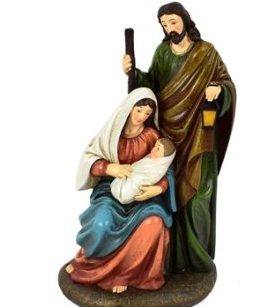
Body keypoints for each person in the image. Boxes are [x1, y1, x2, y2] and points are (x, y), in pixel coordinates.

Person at [122, 2, 236, 273]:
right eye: (164, 25)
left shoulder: (206, 52)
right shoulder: (163, 52)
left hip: (200, 135)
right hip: (168, 139)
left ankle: (198, 261)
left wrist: (218, 88)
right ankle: (170, 261)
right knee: (168, 194)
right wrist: (133, 73)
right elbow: (151, 86)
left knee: (200, 195)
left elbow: (227, 84)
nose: (169, 28)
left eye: (173, 21)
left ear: (185, 20)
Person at [66, 88, 176, 293]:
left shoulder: (152, 136)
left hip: (142, 196)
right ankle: (86, 263)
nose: (141, 117)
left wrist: (157, 188)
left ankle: (127, 274)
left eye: (147, 113)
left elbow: (165, 167)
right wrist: (109, 168)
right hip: (111, 192)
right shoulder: (112, 134)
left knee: (154, 224)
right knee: (101, 223)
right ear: (129, 107)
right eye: (138, 110)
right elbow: (89, 158)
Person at [111, 137, 175, 205]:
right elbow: (136, 166)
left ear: (165, 158)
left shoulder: (158, 168)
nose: (153, 149)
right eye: (154, 146)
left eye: (158, 148)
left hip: (134, 187)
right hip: (126, 177)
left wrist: (159, 188)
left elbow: (144, 178)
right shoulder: (149, 158)